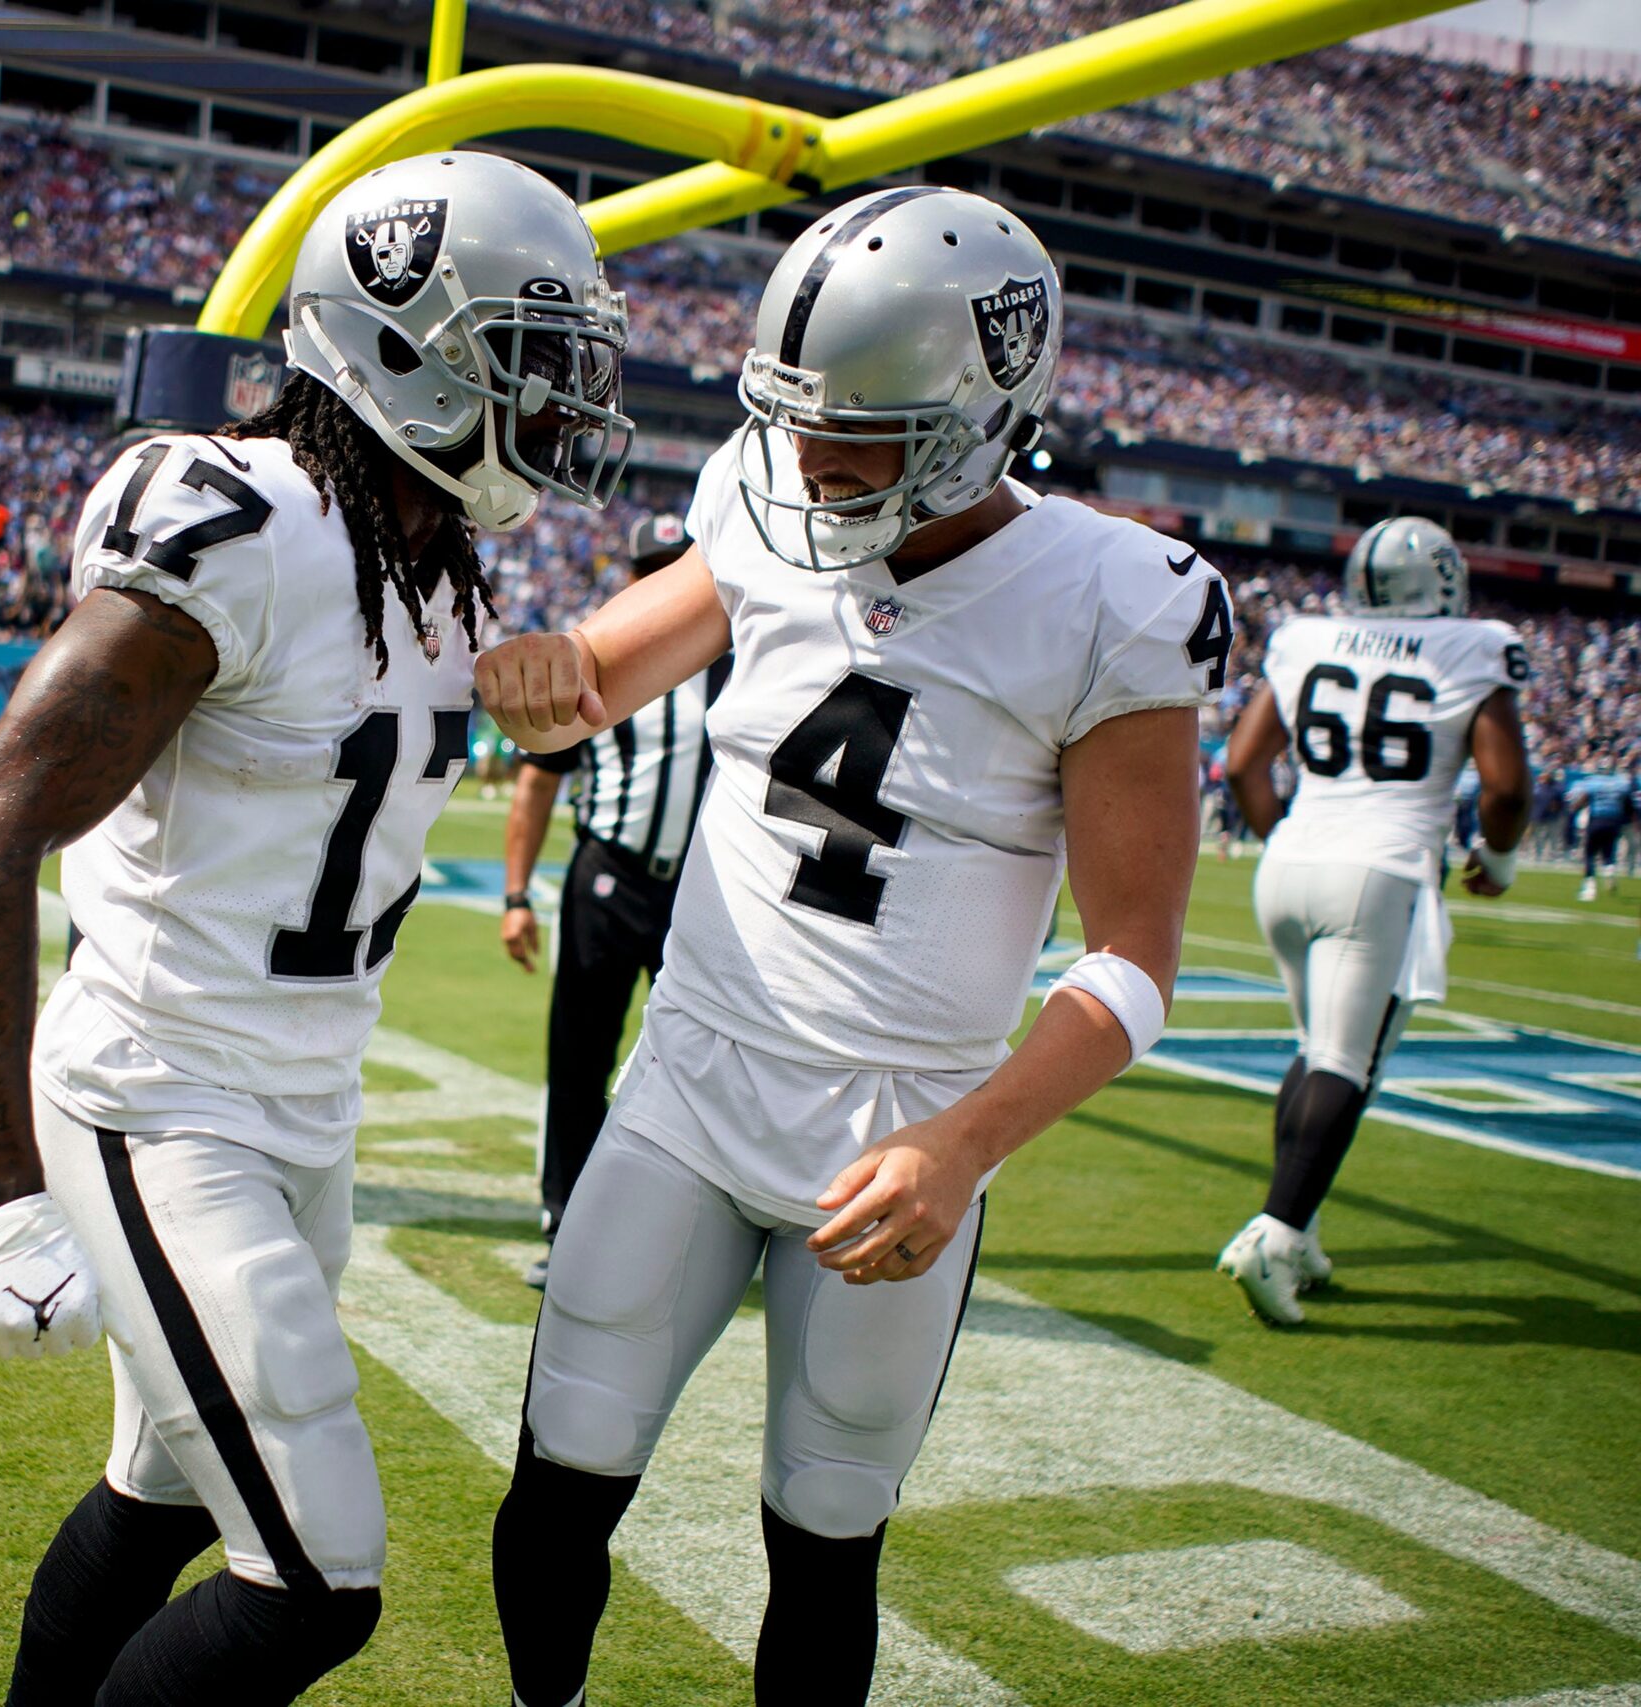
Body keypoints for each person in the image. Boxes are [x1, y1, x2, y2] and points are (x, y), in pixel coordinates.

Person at [475, 186, 1223, 1707]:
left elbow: (1136, 960)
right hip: (689, 1082)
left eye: (857, 432)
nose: (812, 462)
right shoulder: (768, 489)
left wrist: (965, 1143)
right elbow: (605, 671)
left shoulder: (1106, 598)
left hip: (896, 1127)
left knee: (824, 1532)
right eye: (797, 421)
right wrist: (546, 673)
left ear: (977, 411)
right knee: (561, 1472)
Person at [0, 152, 629, 1707]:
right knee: (317, 1570)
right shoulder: (252, 522)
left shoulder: (432, 558)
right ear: (406, 348)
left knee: (159, 1494)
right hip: (162, 1096)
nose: (563, 396)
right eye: (529, 353)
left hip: (303, 1105)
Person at [1220, 517, 1530, 1324]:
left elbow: (1245, 763)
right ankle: (1277, 1234)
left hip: (1290, 862)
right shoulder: (1475, 645)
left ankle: (1301, 1221)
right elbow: (1504, 786)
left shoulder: (1308, 637)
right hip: (1381, 866)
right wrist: (1497, 861)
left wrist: (1288, 841)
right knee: (1343, 1061)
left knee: (1314, 1051)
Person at [499, 512, 728, 1288]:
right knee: (581, 1054)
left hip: (704, 892)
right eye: (651, 568)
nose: (663, 580)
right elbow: (537, 780)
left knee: (700, 1066)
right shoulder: (598, 657)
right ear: (631, 579)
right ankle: (565, 1219)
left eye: (678, 566)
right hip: (610, 874)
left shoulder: (744, 659)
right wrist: (517, 894)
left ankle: (693, 1240)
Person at [1566, 755, 1633, 902]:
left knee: (1589, 854)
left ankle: (1590, 889)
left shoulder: (1593, 782)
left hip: (1597, 820)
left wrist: (1574, 809)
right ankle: (1610, 871)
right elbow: (1628, 804)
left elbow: (1582, 800)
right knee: (1609, 853)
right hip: (1614, 822)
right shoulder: (1620, 783)